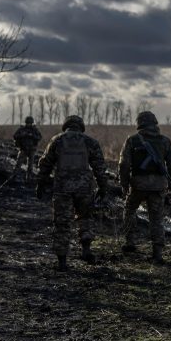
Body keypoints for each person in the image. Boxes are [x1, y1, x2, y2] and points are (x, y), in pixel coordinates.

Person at [36, 115, 108, 271]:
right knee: (85, 218)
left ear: (66, 125)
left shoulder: (57, 140)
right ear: (81, 126)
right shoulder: (90, 142)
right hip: (85, 188)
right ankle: (86, 250)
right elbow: (100, 168)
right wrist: (103, 187)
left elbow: (45, 164)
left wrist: (40, 183)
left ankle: (62, 261)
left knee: (62, 222)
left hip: (62, 188)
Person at [118, 111, 171, 263]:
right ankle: (157, 253)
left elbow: (123, 164)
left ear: (139, 124)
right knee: (156, 219)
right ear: (155, 123)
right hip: (158, 186)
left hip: (137, 185)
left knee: (129, 210)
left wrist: (124, 184)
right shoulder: (165, 141)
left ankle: (130, 242)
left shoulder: (132, 140)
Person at [12, 116, 42, 183]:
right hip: (23, 149)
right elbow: (15, 136)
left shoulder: (34, 130)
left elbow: (39, 137)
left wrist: (32, 136)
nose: (29, 124)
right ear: (26, 123)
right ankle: (14, 177)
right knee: (18, 164)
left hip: (32, 149)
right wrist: (23, 135)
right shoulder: (22, 129)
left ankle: (29, 179)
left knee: (30, 166)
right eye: (28, 123)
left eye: (30, 123)